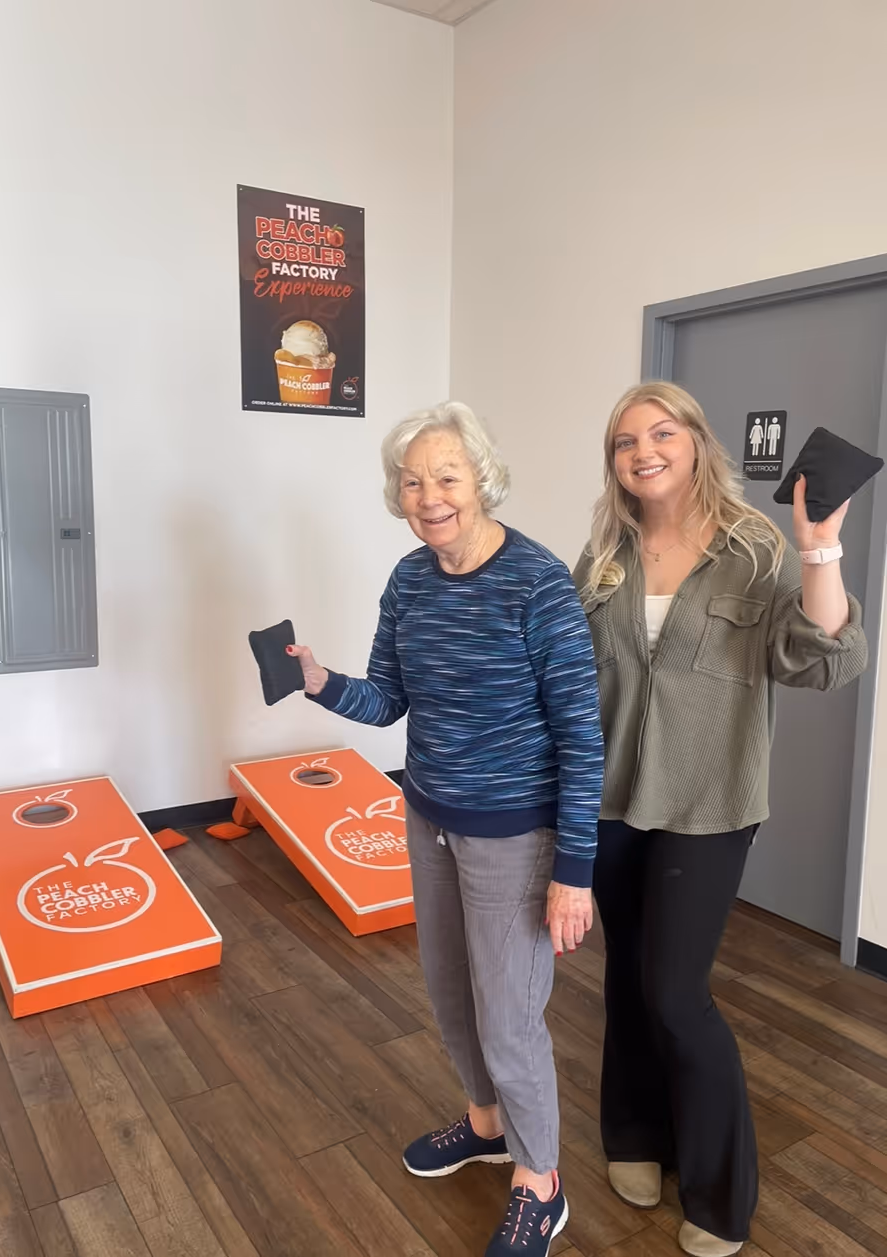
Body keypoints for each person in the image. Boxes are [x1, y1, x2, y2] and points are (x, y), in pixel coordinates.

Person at [288, 401, 604, 1257]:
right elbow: (389, 699)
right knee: (449, 993)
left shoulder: (536, 582)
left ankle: (542, 1180)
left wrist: (574, 869)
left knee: (510, 1016)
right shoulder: (409, 579)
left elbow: (582, 731)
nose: (429, 496)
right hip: (427, 814)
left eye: (447, 477)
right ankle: (486, 1122)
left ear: (482, 481)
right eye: (413, 480)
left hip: (516, 834)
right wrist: (321, 682)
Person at [574, 382, 868, 1257]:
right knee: (626, 973)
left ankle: (719, 1188)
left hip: (709, 803)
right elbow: (561, 669)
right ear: (614, 461)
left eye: (662, 432)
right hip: (610, 797)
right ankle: (633, 1135)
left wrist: (821, 551)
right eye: (626, 440)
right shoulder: (601, 554)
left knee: (676, 992)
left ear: (696, 442)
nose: (644, 451)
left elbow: (824, 662)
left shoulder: (754, 547)